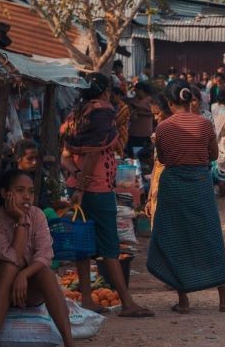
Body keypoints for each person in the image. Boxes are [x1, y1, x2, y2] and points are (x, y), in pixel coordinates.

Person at [147, 80, 225, 314]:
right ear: (191, 100)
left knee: (175, 239)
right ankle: (224, 299)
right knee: (210, 237)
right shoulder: (204, 124)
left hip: (173, 185)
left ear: (170, 103)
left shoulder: (163, 128)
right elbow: (212, 154)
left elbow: (162, 157)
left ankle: (183, 301)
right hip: (199, 184)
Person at [0, 170, 88, 347]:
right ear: (4, 193)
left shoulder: (38, 215)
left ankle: (70, 346)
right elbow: (12, 258)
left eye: (31, 192)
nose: (27, 196)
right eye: (20, 190)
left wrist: (24, 275)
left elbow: (45, 255)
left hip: (28, 288)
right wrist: (21, 222)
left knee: (46, 273)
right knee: (8, 268)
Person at [63, 73, 152, 318]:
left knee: (83, 243)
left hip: (78, 187)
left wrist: (76, 180)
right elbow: (94, 152)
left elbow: (66, 156)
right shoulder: (102, 112)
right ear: (105, 92)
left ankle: (87, 299)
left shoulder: (77, 113)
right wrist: (83, 186)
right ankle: (127, 302)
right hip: (96, 189)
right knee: (110, 246)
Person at [144, 94, 172, 223]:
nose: (156, 118)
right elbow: (156, 165)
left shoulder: (175, 131)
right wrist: (149, 198)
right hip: (158, 181)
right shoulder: (159, 131)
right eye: (153, 115)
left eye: (157, 114)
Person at [127, 82, 153, 157]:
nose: (135, 93)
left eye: (136, 91)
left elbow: (144, 108)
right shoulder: (136, 100)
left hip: (143, 134)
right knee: (134, 155)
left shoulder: (149, 100)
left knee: (141, 156)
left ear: (141, 90)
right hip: (134, 133)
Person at [110, 87, 130, 157]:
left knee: (118, 154)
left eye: (112, 97)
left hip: (121, 135)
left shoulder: (124, 108)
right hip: (112, 135)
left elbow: (116, 123)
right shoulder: (110, 106)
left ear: (119, 96)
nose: (110, 99)